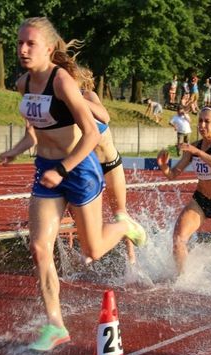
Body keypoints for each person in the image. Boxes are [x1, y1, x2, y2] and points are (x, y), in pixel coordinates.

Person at [0, 17, 146, 352]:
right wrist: (16, 150)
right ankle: (55, 325)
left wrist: (64, 168)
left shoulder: (61, 81)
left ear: (49, 48)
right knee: (39, 248)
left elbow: (93, 131)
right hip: (47, 170)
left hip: (78, 169)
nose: (22, 49)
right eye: (19, 43)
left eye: (30, 44)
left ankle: (123, 226)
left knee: (92, 249)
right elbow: (33, 132)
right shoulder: (23, 83)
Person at [157, 106, 211, 274]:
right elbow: (173, 174)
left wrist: (199, 153)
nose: (202, 125)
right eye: (200, 121)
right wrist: (164, 168)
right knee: (178, 239)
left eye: (207, 122)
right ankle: (182, 278)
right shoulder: (194, 147)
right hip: (200, 201)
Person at [78, 67, 136, 265]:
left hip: (110, 165)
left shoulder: (89, 95)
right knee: (82, 216)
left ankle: (132, 261)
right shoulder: (65, 106)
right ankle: (93, 248)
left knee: (120, 214)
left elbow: (105, 117)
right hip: (89, 169)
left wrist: (78, 99)